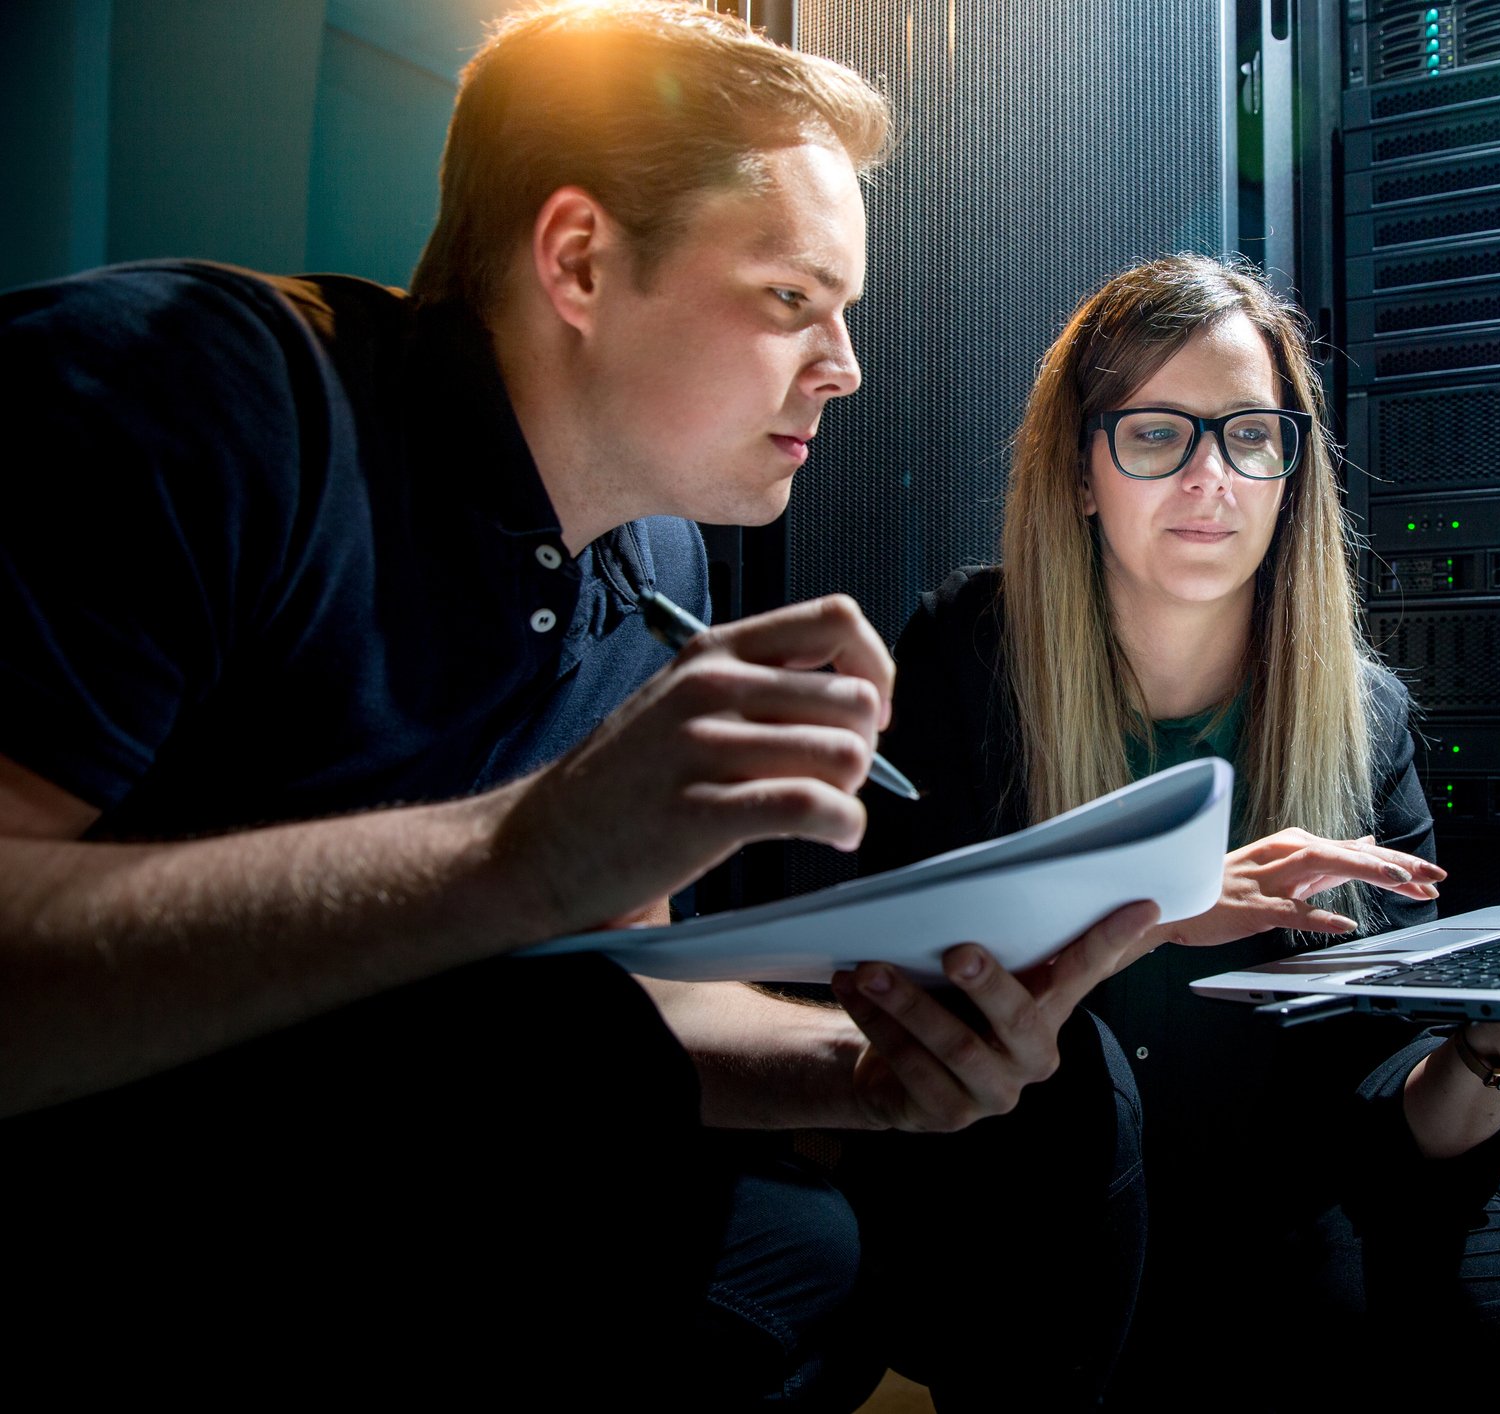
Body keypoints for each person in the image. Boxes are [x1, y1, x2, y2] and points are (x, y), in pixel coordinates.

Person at [0, 4, 1154, 1400]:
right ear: (579, 259)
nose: (844, 366)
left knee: (1047, 1108)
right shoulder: (195, 398)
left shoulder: (655, 555)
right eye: (794, 298)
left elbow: (609, 1003)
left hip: (420, 1183)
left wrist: (864, 1068)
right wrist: (519, 852)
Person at [862, 255, 1500, 1412]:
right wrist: (1148, 913)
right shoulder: (964, 663)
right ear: (1081, 470)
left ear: (1290, 472)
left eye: (1250, 436)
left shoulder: (1361, 719)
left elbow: (1388, 1126)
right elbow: (882, 984)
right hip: (1027, 1189)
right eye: (1158, 434)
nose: (1211, 477)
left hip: (1264, 1205)